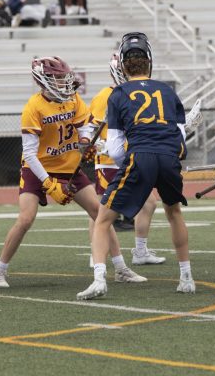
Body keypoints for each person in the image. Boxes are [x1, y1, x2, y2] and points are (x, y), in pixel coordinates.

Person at [0, 56, 145, 288]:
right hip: (38, 169)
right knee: (25, 218)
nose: (64, 82)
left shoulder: (73, 99)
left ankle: (121, 268)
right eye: (59, 78)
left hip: (69, 166)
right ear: (44, 79)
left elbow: (85, 125)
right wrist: (50, 184)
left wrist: (85, 142)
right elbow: (30, 154)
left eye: (64, 78)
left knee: (101, 213)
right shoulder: (33, 107)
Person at [77, 32, 194, 299]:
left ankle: (99, 279)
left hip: (139, 156)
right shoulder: (167, 90)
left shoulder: (117, 94)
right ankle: (186, 277)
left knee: (103, 219)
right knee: (173, 212)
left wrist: (129, 164)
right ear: (149, 62)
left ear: (123, 66)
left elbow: (117, 148)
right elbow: (181, 139)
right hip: (167, 156)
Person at [88, 53, 166, 266]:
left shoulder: (140, 93)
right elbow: (90, 128)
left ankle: (140, 251)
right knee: (101, 210)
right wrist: (97, 144)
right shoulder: (105, 96)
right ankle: (96, 254)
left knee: (149, 203)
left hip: (132, 158)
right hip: (109, 160)